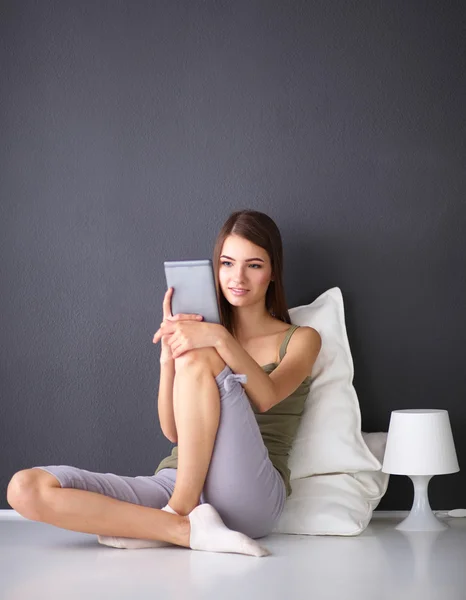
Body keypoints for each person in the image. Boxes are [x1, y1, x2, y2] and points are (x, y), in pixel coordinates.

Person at [7, 210, 322, 557]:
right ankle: (181, 529)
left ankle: (179, 511)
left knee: (201, 354)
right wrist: (169, 356)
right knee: (26, 488)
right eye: (227, 263)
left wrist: (217, 339)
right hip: (178, 476)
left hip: (249, 493)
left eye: (254, 265)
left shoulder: (301, 339)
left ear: (273, 271)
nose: (238, 277)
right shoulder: (202, 338)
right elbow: (173, 432)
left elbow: (267, 397)